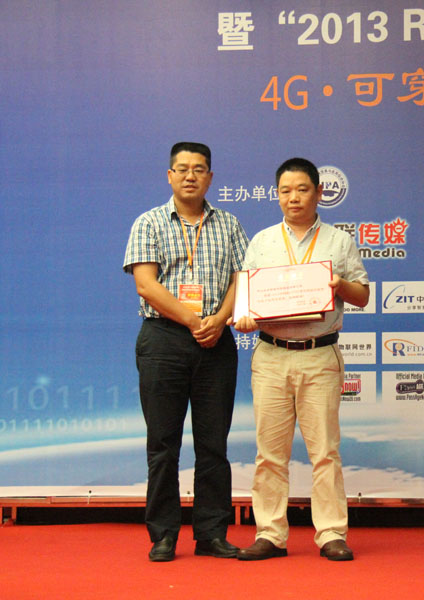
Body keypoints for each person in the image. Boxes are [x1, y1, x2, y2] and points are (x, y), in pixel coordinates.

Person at [232, 157, 369, 562]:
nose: (293, 198)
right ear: (277, 195)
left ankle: (331, 533)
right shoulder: (262, 241)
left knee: (325, 451)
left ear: (319, 193)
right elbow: (246, 297)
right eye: (285, 191)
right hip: (271, 355)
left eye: (302, 189)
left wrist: (338, 284)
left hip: (319, 354)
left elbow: (362, 295)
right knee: (269, 452)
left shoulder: (338, 242)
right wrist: (243, 316)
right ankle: (270, 533)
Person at [123, 142, 248, 562]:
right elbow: (146, 285)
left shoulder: (229, 224)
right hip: (164, 341)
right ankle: (163, 535)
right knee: (163, 444)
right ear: (170, 176)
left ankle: (212, 533)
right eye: (182, 169)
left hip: (216, 341)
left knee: (214, 444)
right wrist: (195, 322)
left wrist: (220, 320)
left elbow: (242, 279)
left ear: (210, 177)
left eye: (199, 169)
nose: (190, 175)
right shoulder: (149, 222)